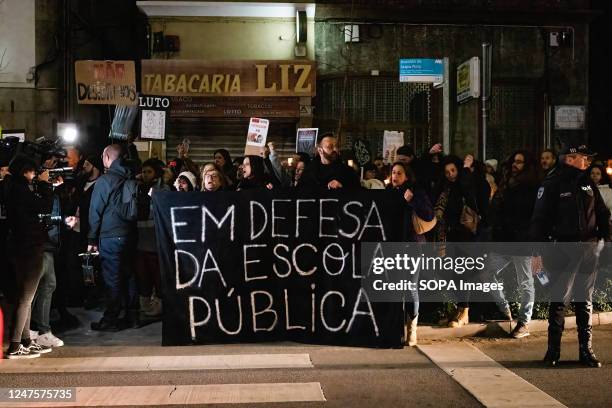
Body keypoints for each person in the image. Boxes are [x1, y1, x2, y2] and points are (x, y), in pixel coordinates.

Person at [530, 144, 610, 367]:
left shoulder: (587, 183)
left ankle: (586, 351)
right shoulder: (552, 183)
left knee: (585, 301)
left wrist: (604, 240)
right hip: (562, 250)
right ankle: (553, 352)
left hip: (588, 250)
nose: (587, 162)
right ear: (571, 159)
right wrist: (536, 253)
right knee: (559, 300)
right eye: (584, 158)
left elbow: (603, 214)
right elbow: (539, 220)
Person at [4, 155, 54, 358]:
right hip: (29, 247)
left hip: (18, 246)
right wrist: (44, 185)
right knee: (25, 298)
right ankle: (15, 346)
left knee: (25, 296)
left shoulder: (11, 189)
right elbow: (45, 206)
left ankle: (25, 340)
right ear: (25, 171)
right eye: (33, 172)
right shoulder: (21, 191)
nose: (35, 175)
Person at [434, 154, 490, 327]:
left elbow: (471, 192)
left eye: (453, 170)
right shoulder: (446, 187)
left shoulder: (467, 184)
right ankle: (458, 309)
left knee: (464, 273)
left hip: (466, 235)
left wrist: (465, 171)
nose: (450, 174)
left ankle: (464, 311)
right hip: (449, 234)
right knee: (453, 274)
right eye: (447, 171)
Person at [489, 150, 540, 338]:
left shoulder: (532, 188)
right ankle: (504, 309)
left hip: (522, 241)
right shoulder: (505, 183)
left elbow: (535, 217)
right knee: (487, 273)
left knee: (525, 282)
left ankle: (524, 322)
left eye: (519, 162)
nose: (515, 165)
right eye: (514, 161)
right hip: (503, 240)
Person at [88, 144, 138, 331]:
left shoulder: (105, 180)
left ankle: (111, 320)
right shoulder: (131, 177)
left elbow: (95, 212)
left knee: (112, 279)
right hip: (130, 235)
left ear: (107, 157)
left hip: (110, 237)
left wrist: (92, 239)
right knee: (130, 276)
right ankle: (133, 317)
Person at [387, 162, 434, 346]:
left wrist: (412, 200)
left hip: (413, 246)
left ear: (407, 176)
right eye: (393, 172)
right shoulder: (389, 192)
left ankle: (411, 330)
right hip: (393, 247)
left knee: (410, 287)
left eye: (399, 173)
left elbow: (429, 215)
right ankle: (395, 328)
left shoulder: (417, 192)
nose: (395, 176)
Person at [135, 159, 170, 319]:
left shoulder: (164, 188)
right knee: (143, 276)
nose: (145, 175)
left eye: (149, 171)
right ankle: (146, 305)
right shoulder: (138, 188)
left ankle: (159, 306)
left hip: (156, 240)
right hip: (141, 240)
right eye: (144, 171)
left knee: (158, 276)